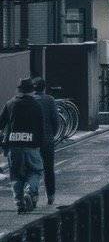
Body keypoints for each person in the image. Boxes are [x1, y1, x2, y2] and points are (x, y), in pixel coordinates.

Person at [0, 78, 45, 214]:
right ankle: (30, 193)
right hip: (31, 145)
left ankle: (19, 202)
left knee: (16, 174)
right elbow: (40, 127)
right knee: (35, 171)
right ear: (32, 91)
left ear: (18, 90)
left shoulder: (10, 104)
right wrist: (40, 144)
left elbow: (1, 124)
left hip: (14, 145)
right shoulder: (36, 105)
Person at [33, 77, 59, 205]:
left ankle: (33, 195)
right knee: (49, 169)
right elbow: (55, 120)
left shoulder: (30, 100)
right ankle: (51, 196)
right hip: (47, 140)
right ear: (44, 87)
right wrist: (52, 134)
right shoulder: (50, 100)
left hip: (32, 140)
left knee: (33, 169)